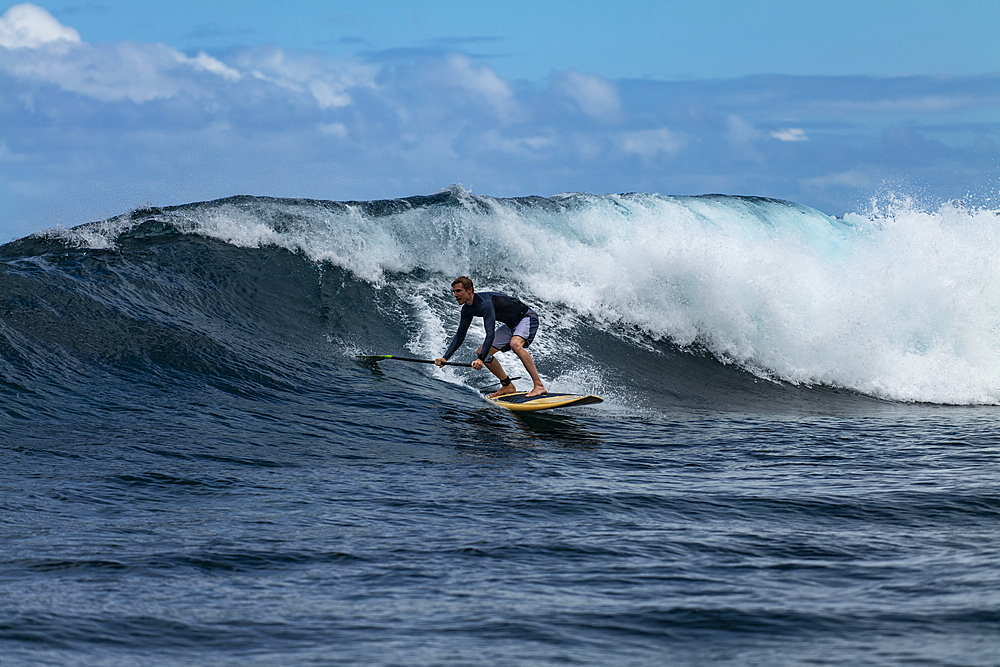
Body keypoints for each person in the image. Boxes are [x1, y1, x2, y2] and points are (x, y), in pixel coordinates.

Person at [434, 276, 547, 399]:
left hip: (526, 317)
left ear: (470, 290)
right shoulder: (466, 310)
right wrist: (445, 357)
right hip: (510, 325)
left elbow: (490, 333)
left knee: (515, 344)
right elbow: (460, 335)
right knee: (481, 351)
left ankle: (538, 385)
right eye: (454, 291)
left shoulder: (485, 303)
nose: (455, 295)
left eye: (459, 291)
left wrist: (481, 359)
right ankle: (507, 385)